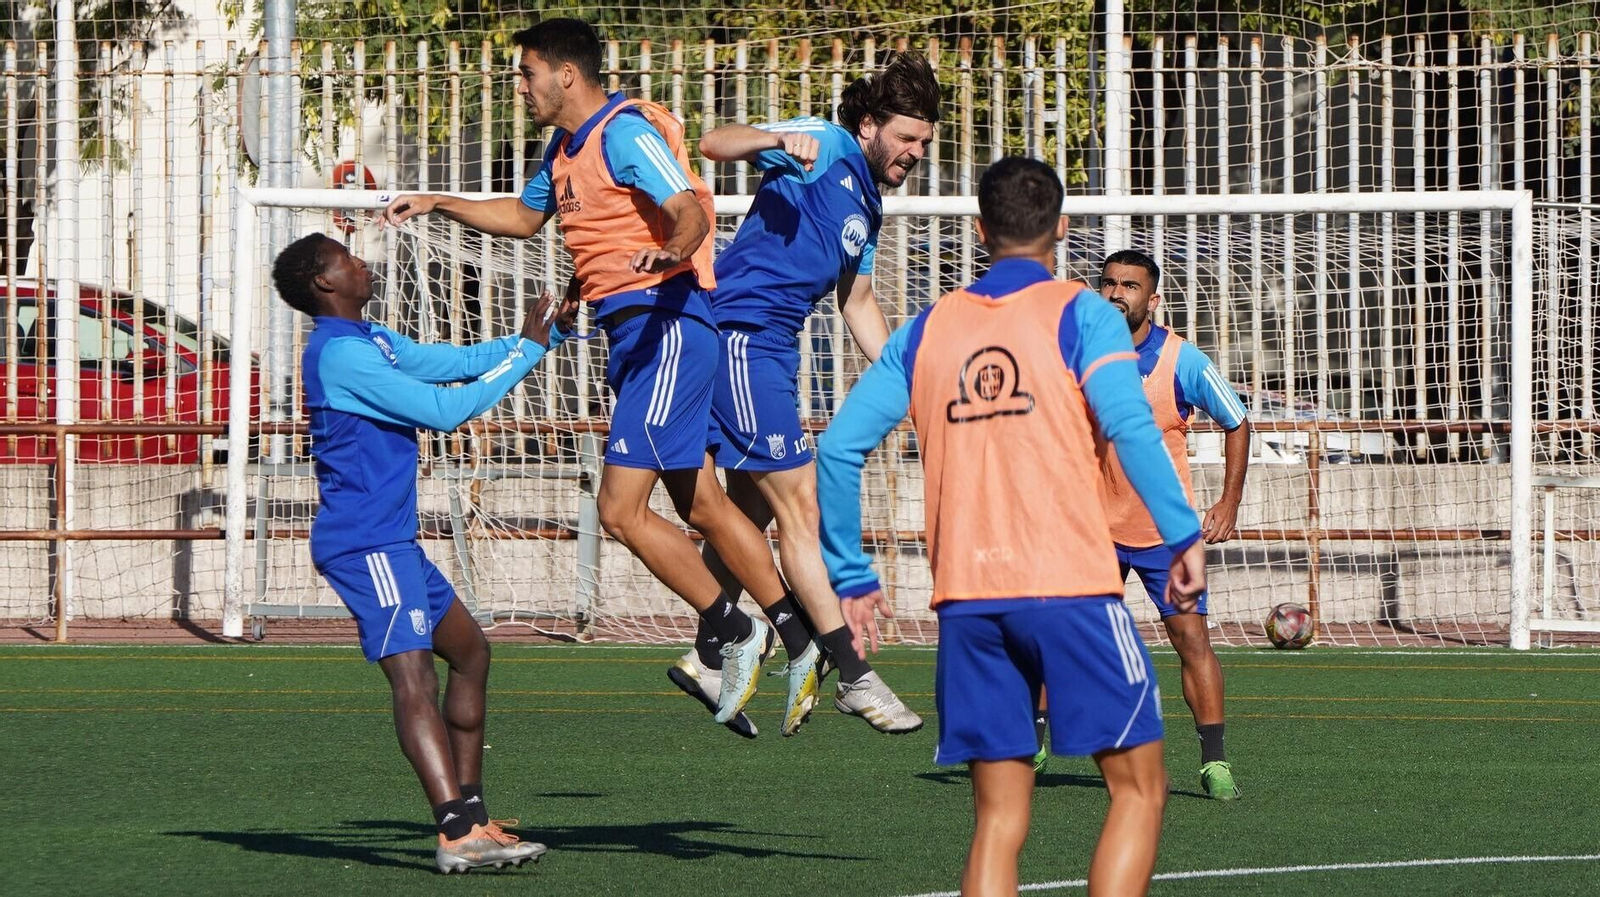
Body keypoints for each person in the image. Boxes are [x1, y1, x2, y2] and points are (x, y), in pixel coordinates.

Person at [381, 18, 808, 732]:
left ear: (565, 75)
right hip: (639, 337)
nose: (520, 87)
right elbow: (523, 217)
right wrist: (435, 200)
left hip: (669, 328)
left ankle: (735, 631)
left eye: (526, 74)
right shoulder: (564, 149)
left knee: (619, 509)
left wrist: (666, 250)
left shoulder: (624, 133)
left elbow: (688, 211)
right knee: (700, 502)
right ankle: (798, 635)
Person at [817, 157, 1206, 897]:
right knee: (1139, 790)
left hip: (967, 600)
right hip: (1070, 588)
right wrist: (1183, 534)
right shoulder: (1083, 311)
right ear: (1061, 229)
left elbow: (837, 447)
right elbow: (1128, 422)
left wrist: (852, 573)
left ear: (979, 231)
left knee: (998, 817)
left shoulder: (931, 326)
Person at [275, 232, 575, 873]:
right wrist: (527, 350)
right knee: (413, 675)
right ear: (325, 283)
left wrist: (542, 337)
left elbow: (450, 362)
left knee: (471, 652)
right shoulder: (338, 355)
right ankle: (453, 831)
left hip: (393, 543)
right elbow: (445, 410)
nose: (362, 263)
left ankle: (475, 817)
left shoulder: (372, 339)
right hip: (365, 543)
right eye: (347, 259)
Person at [669, 51, 942, 737]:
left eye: (924, 144)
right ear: (873, 123)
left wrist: (906, 387)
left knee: (750, 504)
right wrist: (770, 139)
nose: (915, 153)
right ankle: (854, 674)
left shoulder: (870, 200)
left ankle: (708, 655)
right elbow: (713, 143)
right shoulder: (824, 144)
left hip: (772, 347)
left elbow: (856, 298)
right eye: (906, 138)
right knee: (800, 500)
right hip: (740, 333)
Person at [1035, 249, 1251, 796]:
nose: (1115, 294)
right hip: (1090, 526)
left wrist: (1229, 503)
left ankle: (1215, 761)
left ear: (1151, 300)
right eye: (1108, 283)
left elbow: (1237, 420)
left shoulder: (1184, 361)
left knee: (1191, 641)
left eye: (1129, 286)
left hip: (1164, 533)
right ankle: (1032, 744)